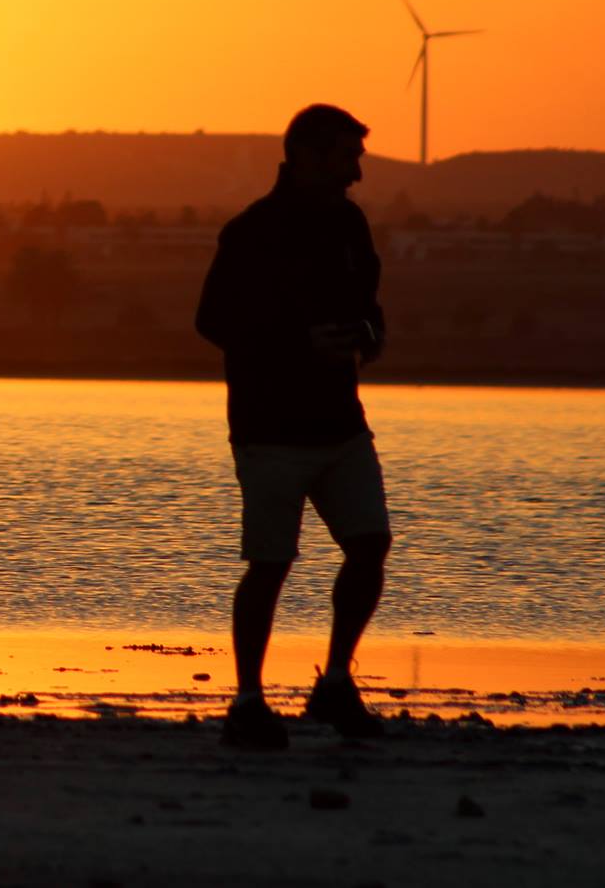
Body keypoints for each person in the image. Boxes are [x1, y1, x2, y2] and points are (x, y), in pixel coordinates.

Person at [195, 104, 392, 749]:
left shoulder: (349, 224)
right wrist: (298, 342)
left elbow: (371, 309)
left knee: (370, 545)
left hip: (340, 423)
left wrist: (365, 337)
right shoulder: (252, 231)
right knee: (270, 563)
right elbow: (214, 320)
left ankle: (334, 682)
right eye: (347, 156)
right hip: (269, 428)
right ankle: (248, 700)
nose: (357, 171)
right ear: (308, 155)